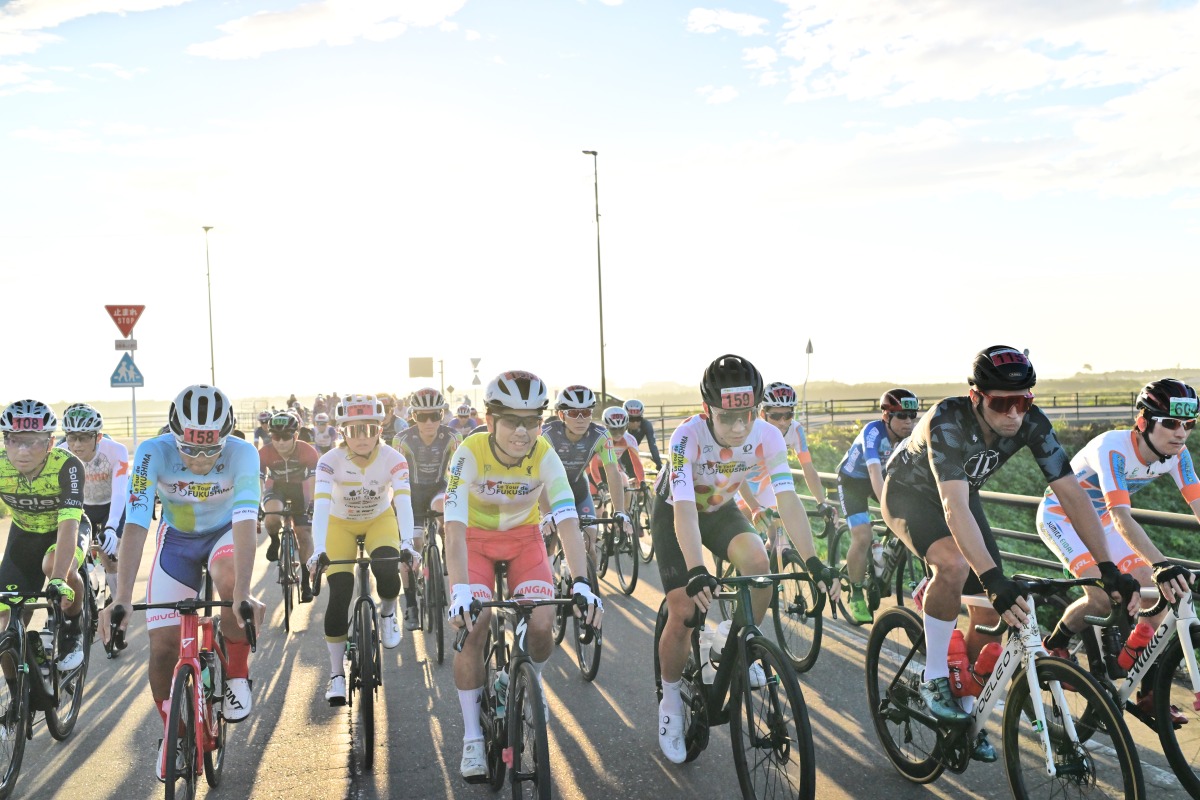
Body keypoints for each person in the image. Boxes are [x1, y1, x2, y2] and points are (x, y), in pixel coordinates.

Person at [880, 346, 1138, 761]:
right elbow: (952, 508)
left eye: (1023, 401)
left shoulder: (1031, 423)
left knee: (990, 616)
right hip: (910, 495)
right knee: (954, 564)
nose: (1015, 413)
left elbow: (1072, 494)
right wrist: (990, 578)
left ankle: (964, 713)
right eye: (1002, 403)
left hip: (962, 493)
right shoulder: (947, 420)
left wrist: (1107, 566)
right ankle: (934, 676)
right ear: (976, 396)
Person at [653, 355, 837, 764]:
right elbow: (684, 509)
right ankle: (670, 701)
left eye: (747, 416)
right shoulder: (685, 437)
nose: (739, 428)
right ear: (707, 410)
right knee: (684, 610)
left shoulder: (768, 435)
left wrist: (812, 561)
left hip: (721, 510)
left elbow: (787, 498)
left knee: (759, 567)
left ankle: (730, 642)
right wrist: (697, 569)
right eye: (727, 418)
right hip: (676, 512)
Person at [444, 370, 602, 780]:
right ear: (490, 419)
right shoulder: (468, 452)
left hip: (523, 541)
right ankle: (472, 738)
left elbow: (566, 515)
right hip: (475, 542)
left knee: (543, 622)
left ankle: (533, 680)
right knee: (475, 624)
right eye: (512, 420)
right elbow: (454, 528)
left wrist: (582, 581)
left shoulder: (544, 453)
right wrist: (459, 589)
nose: (522, 431)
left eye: (532, 421)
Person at [109, 385, 265, 780]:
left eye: (211, 450)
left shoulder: (243, 453)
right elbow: (136, 523)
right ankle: (174, 733)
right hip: (177, 541)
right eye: (190, 449)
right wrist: (121, 597)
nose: (201, 459)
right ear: (174, 434)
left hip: (225, 534)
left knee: (230, 579)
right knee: (163, 648)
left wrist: (243, 593)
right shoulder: (152, 452)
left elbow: (246, 520)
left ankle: (236, 672)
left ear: (225, 438)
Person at [1038, 378, 1199, 722]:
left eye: (1189, 424)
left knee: (1158, 590)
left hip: (1104, 521)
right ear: (1143, 422)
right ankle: (1055, 644)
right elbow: (1121, 515)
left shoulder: (1177, 454)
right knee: (1100, 597)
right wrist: (1160, 562)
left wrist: (1158, 571)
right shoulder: (1112, 447)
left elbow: (1198, 502)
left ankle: (1148, 693)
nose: (1181, 433)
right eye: (1171, 423)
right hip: (1062, 517)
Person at [307, 394, 413, 706]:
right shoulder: (329, 461)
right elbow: (321, 507)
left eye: (368, 429)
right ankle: (336, 674)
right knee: (340, 591)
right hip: (339, 524)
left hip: (379, 520)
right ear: (342, 431)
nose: (362, 437)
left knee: (387, 568)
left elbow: (403, 501)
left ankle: (388, 612)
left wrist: (408, 542)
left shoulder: (393, 458)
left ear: (380, 429)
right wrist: (319, 548)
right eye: (354, 430)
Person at [0, 400, 88, 672]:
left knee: (54, 567)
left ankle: (73, 630)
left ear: (50, 443)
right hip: (24, 535)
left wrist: (59, 578)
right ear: (5, 441)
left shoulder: (68, 465)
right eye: (15, 440)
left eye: (33, 442)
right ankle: (19, 690)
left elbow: (69, 524)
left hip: (63, 532)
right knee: (4, 627)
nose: (23, 450)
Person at [835, 388, 919, 623]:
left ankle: (882, 553)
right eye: (901, 416)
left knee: (911, 511)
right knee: (862, 536)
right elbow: (873, 472)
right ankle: (856, 593)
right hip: (853, 482)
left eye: (912, 415)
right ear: (886, 416)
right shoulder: (873, 432)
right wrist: (888, 510)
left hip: (881, 477)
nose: (909, 421)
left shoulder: (909, 437)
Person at [393, 388, 462, 629]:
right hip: (411, 493)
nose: (429, 422)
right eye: (423, 416)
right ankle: (411, 605)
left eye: (435, 415)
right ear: (413, 416)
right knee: (412, 546)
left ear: (442, 415)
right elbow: (397, 475)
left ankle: (445, 548)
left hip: (439, 488)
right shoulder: (402, 439)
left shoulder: (453, 436)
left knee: (444, 512)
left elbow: (458, 471)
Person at [540, 385, 631, 568]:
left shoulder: (600, 435)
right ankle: (550, 578)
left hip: (579, 489)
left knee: (590, 546)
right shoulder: (546, 434)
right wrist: (547, 513)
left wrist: (620, 510)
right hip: (550, 492)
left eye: (586, 412)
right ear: (561, 415)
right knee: (549, 542)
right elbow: (538, 475)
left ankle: (589, 582)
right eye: (574, 413)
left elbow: (612, 471)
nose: (581, 419)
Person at [57, 403, 128, 604]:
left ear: (98, 436)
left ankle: (117, 602)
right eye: (72, 437)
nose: (77, 444)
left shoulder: (116, 450)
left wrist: (112, 526)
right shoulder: (60, 453)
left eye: (84, 437)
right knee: (71, 555)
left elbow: (120, 492)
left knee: (110, 556)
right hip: (82, 507)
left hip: (110, 505)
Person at [259, 410, 319, 601]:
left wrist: (313, 502)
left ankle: (305, 583)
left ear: (296, 435)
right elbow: (258, 480)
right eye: (275, 437)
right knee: (272, 517)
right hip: (276, 488)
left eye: (286, 436)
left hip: (301, 490)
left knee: (304, 535)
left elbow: (314, 479)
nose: (281, 442)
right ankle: (274, 540)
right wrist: (257, 504)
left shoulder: (307, 451)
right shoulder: (264, 452)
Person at [587, 407, 646, 511]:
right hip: (593, 472)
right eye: (613, 430)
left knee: (626, 487)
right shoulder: (598, 438)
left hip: (613, 468)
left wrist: (642, 481)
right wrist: (599, 484)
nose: (618, 434)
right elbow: (593, 464)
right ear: (606, 427)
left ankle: (623, 515)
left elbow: (637, 463)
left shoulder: (629, 439)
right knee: (598, 511)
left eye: (621, 429)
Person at [623, 399, 663, 472]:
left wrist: (659, 464)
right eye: (631, 419)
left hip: (632, 454)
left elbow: (652, 445)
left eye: (638, 419)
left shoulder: (646, 424)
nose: (635, 422)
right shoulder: (620, 424)